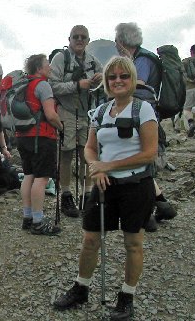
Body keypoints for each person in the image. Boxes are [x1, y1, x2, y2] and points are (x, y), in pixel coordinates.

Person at [53, 56, 158, 320]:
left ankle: (126, 297)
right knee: (90, 239)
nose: (118, 81)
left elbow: (150, 153)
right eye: (113, 77)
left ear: (131, 79)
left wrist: (107, 167)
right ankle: (81, 287)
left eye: (123, 76)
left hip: (136, 184)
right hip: (105, 184)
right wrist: (96, 166)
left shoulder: (143, 110)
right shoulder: (100, 112)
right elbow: (89, 148)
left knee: (133, 243)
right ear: (107, 82)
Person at [115, 22, 177, 230]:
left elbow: (137, 83)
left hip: (140, 114)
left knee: (139, 162)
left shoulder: (141, 60)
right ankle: (162, 204)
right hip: (144, 113)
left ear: (123, 41)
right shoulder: (145, 57)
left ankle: (148, 215)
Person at [49, 25, 103, 218]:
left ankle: (87, 194)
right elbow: (52, 86)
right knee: (66, 154)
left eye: (83, 37)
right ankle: (66, 194)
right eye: (76, 37)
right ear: (69, 39)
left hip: (86, 114)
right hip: (66, 112)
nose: (79, 40)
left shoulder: (92, 61)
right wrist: (76, 85)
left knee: (86, 154)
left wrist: (99, 80)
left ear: (88, 40)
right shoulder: (60, 59)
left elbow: (103, 80)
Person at [17, 54, 63, 235]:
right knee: (42, 178)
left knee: (28, 175)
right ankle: (38, 221)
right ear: (39, 68)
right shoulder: (42, 85)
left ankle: (27, 217)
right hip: (41, 136)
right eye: (47, 64)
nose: (50, 67)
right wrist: (61, 127)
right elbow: (50, 115)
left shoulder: (23, 84)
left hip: (22, 135)